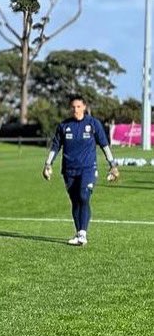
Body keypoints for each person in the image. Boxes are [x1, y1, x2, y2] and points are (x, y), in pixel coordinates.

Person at [42, 94, 119, 246]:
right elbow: (55, 146)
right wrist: (47, 164)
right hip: (69, 170)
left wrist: (113, 164)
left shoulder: (93, 124)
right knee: (75, 201)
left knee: (84, 197)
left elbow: (104, 145)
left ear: (84, 107)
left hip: (88, 169)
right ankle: (79, 234)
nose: (75, 110)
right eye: (73, 107)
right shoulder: (64, 126)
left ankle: (83, 234)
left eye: (78, 106)